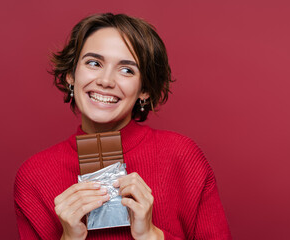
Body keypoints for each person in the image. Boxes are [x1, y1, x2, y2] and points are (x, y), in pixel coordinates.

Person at [14, 13, 232, 240]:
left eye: (127, 69)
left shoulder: (182, 157)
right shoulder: (33, 176)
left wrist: (151, 235)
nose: (106, 80)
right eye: (94, 63)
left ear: (144, 89)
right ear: (71, 74)